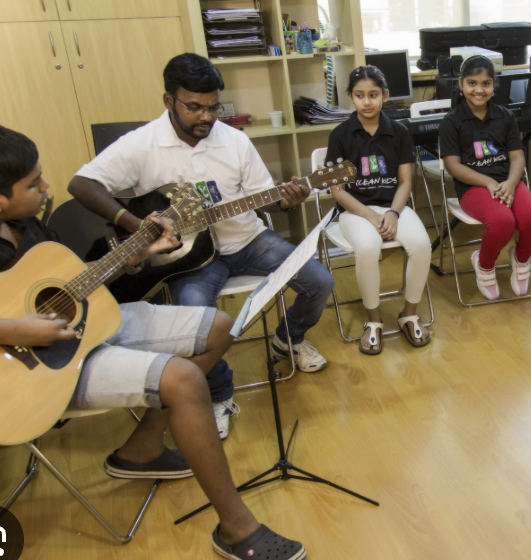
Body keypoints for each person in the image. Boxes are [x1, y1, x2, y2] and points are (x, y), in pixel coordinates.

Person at [0, 126, 306, 560]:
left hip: (86, 323)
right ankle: (237, 528)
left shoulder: (26, 224)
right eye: (33, 184)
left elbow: (70, 282)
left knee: (219, 327)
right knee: (182, 380)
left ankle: (142, 448)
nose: (47, 186)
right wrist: (18, 331)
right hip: (31, 370)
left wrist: (136, 254)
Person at [68, 53, 335, 439]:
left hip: (247, 239)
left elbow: (267, 199)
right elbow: (81, 184)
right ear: (169, 101)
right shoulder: (142, 144)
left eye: (213, 108)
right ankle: (219, 394)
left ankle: (289, 338)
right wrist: (136, 224)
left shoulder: (235, 141)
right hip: (188, 258)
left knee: (320, 282)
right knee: (195, 321)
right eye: (194, 107)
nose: (206, 117)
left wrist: (288, 200)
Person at [324, 66, 432, 354]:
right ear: (350, 97)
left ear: (385, 95)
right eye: (359, 95)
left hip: (393, 206)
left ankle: (409, 314)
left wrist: (393, 213)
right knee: (368, 247)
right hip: (355, 211)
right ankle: (373, 321)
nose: (367, 101)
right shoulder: (339, 135)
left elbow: (405, 182)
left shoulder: (399, 131)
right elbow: (337, 191)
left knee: (422, 244)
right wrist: (372, 216)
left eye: (373, 95)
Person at [439, 55, 531, 300]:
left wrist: (511, 183)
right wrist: (488, 182)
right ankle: (484, 264)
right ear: (461, 84)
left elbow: (517, 157)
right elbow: (453, 166)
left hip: (508, 182)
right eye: (472, 83)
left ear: (494, 86)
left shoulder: (505, 116)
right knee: (502, 222)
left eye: (485, 83)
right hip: (473, 186)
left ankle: (520, 258)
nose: (479, 89)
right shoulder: (451, 122)